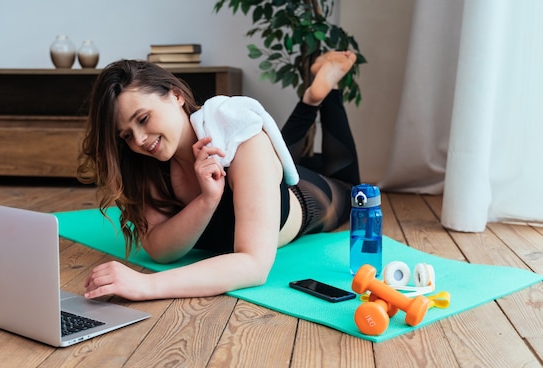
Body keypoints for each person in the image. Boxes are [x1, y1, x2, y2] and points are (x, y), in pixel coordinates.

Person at [78, 51, 361, 301]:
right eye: (126, 135)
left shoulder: (242, 139)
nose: (139, 140)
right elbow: (160, 249)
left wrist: (147, 284)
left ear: (176, 95)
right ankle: (311, 100)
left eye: (143, 119)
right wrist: (207, 200)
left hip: (307, 198)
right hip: (256, 175)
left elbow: (254, 265)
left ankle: (326, 91)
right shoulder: (147, 164)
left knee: (352, 191)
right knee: (275, 152)